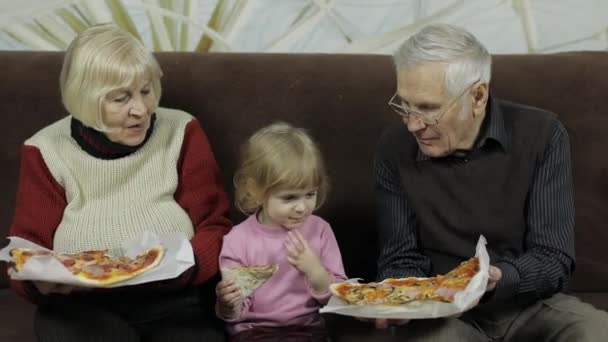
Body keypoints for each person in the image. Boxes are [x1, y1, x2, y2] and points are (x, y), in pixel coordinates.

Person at [335, 23, 608, 341]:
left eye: (428, 109)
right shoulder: (394, 147)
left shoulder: (543, 134)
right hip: (444, 314)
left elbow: (553, 257)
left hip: (531, 305)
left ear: (477, 96)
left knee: (596, 331)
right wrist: (397, 300)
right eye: (405, 106)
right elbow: (401, 257)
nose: (412, 124)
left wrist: (497, 279)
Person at [8, 24, 232, 341]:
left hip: (175, 299)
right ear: (85, 99)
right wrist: (37, 281)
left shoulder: (183, 129)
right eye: (120, 98)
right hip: (84, 308)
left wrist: (187, 265)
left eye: (146, 90)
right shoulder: (44, 149)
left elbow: (216, 225)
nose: (140, 109)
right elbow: (26, 250)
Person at [215, 122, 347, 341]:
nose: (302, 207)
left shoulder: (320, 230)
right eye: (289, 197)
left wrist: (315, 271)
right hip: (254, 332)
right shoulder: (237, 240)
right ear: (255, 190)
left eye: (310, 194)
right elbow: (236, 312)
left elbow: (340, 299)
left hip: (309, 330)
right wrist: (228, 304)